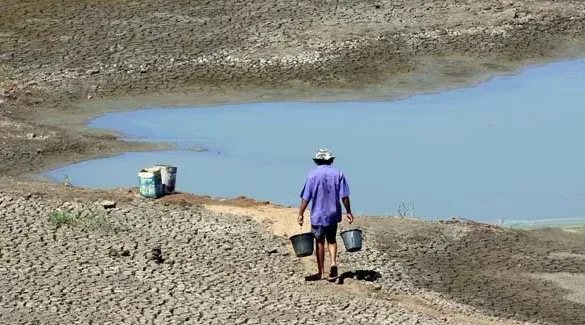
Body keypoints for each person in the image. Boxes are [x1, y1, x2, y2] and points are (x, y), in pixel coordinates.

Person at [298, 148, 354, 281]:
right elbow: (344, 196)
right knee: (332, 239)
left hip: (318, 214)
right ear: (330, 160)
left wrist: (300, 213)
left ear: (317, 161)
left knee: (319, 242)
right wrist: (349, 211)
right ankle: (333, 262)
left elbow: (306, 196)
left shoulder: (312, 174)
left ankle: (321, 273)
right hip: (333, 212)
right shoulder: (338, 173)